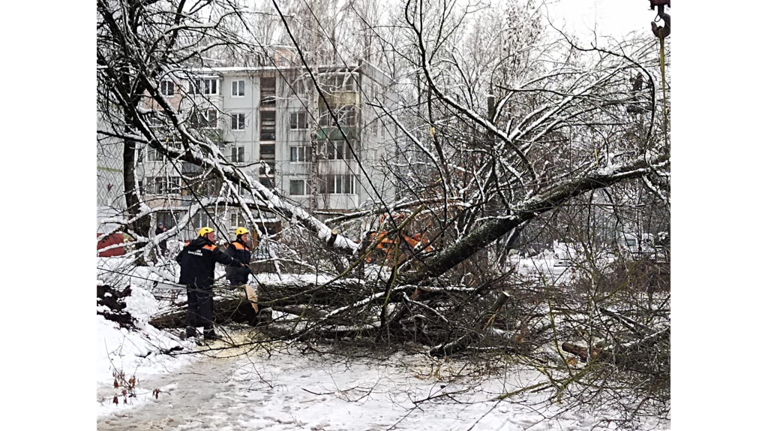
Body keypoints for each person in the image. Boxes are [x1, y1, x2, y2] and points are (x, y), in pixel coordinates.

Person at [176, 227, 244, 340]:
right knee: (206, 307)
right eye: (212, 235)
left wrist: (190, 269)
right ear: (205, 235)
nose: (214, 238)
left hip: (189, 281)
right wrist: (239, 264)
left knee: (192, 306)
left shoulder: (189, 246)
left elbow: (179, 259)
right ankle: (208, 332)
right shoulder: (211, 248)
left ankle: (190, 331)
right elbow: (225, 259)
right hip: (204, 282)